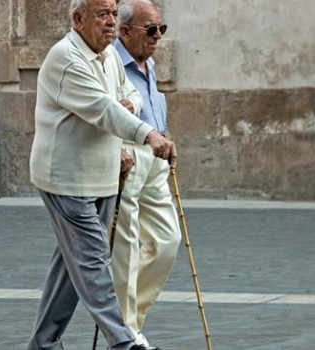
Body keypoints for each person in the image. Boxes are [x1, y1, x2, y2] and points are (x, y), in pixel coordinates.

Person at [27, 0, 175, 349]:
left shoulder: (109, 55)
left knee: (68, 268)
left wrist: (128, 107)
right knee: (93, 262)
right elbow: (101, 107)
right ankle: (123, 342)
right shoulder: (66, 57)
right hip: (66, 179)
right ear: (78, 19)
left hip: (104, 175)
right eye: (102, 15)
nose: (110, 22)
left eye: (113, 13)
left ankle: (43, 344)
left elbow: (129, 96)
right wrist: (148, 133)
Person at [110, 1, 181, 349]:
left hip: (155, 157)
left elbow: (153, 105)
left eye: (161, 30)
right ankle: (125, 334)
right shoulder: (110, 63)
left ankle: (130, 321)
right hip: (128, 157)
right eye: (150, 30)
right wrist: (114, 148)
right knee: (126, 247)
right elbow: (104, 113)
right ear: (124, 31)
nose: (157, 37)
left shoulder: (148, 62)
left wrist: (166, 138)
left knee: (168, 242)